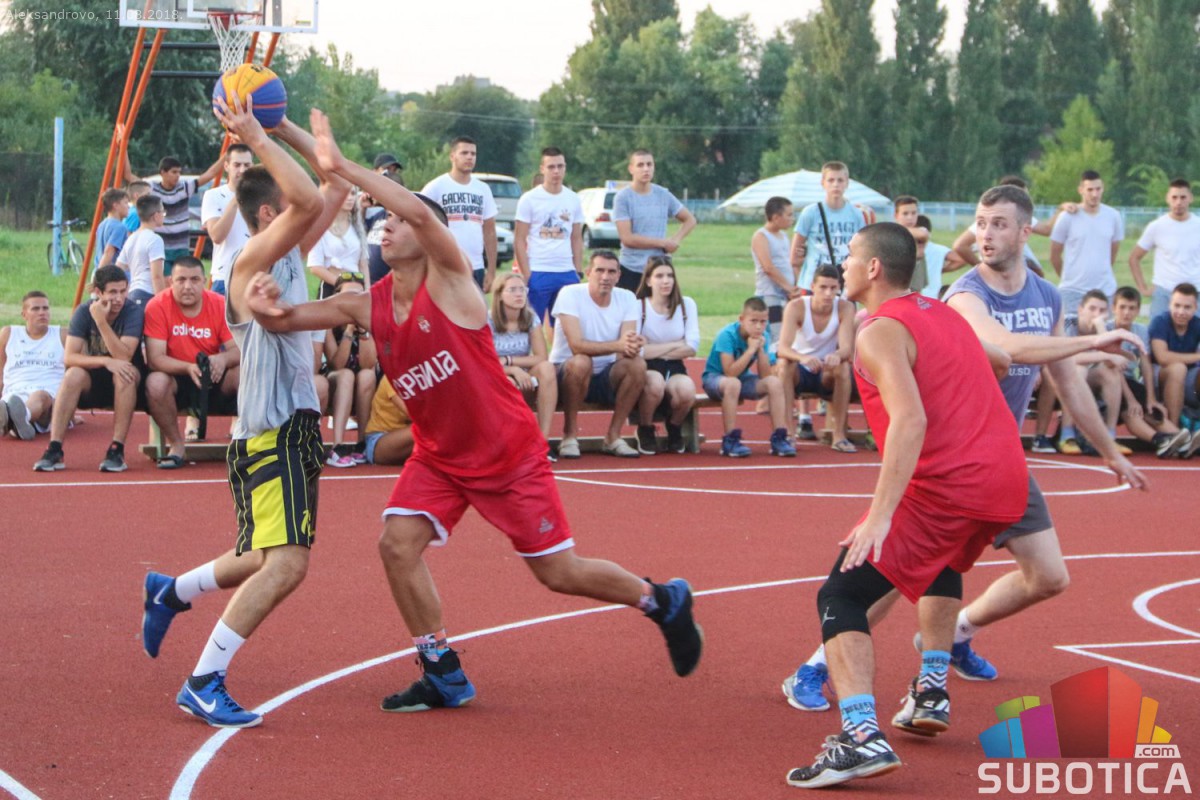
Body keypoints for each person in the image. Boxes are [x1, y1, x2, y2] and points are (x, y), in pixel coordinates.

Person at [238, 108, 702, 713]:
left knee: (558, 573)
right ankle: (442, 671)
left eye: (394, 221)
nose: (385, 228)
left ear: (423, 233)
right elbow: (281, 320)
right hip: (439, 455)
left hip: (505, 453)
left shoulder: (453, 283)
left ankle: (660, 600)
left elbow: (419, 213)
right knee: (395, 545)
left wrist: (339, 165)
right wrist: (260, 298)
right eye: (381, 222)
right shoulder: (365, 305)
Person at [781, 185, 1149, 714]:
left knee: (1026, 575)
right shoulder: (963, 296)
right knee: (914, 565)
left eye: (998, 223)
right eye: (979, 222)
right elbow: (1006, 352)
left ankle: (907, 682)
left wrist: (1109, 449)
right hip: (972, 462)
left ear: (1025, 231)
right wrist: (1088, 341)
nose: (984, 233)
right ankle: (896, 676)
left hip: (976, 460)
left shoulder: (1041, 296)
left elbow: (1053, 375)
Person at [785, 223, 1029, 790]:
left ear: (873, 269)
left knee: (843, 593)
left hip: (951, 484)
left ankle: (860, 735)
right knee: (939, 560)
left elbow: (910, 420)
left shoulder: (878, 331)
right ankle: (931, 687)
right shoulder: (943, 312)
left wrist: (880, 513)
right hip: (1005, 480)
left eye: (850, 256)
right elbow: (998, 361)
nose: (842, 265)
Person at [139, 99, 348, 729]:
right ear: (268, 214)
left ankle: (170, 591)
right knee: (286, 564)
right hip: (272, 431)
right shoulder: (249, 261)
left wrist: (286, 129)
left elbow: (332, 185)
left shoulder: (286, 252)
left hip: (289, 426)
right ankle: (203, 682)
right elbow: (308, 198)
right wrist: (256, 134)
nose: (301, 205)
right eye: (287, 203)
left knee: (261, 556)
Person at [33, 265, 144, 472]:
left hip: (128, 381)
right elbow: (69, 357)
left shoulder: (133, 311)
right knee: (72, 375)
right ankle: (54, 448)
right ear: (99, 292)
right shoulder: (83, 312)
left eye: (123, 291)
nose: (119, 298)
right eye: (112, 292)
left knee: (124, 375)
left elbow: (124, 356)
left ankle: (116, 449)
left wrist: (101, 322)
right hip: (93, 378)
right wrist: (105, 361)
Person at [143, 256, 240, 469]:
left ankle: (248, 442)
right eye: (181, 280)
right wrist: (187, 367)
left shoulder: (220, 304)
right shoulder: (157, 306)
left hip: (213, 374)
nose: (188, 286)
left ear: (204, 281)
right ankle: (177, 445)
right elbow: (155, 359)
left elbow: (240, 350)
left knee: (246, 372)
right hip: (176, 377)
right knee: (155, 382)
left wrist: (222, 359)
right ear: (171, 282)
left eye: (195, 280)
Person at [551, 250, 648, 459]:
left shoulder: (627, 297)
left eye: (611, 272)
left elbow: (626, 346)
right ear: (588, 273)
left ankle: (613, 436)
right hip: (566, 373)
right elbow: (576, 346)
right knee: (581, 362)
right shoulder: (569, 294)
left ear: (619, 276)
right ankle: (569, 435)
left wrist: (634, 345)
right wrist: (619, 345)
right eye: (600, 270)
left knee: (637, 365)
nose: (605, 277)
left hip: (606, 374)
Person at [776, 266, 857, 453]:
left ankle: (839, 436)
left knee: (843, 368)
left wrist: (836, 355)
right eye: (823, 287)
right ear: (812, 286)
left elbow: (847, 348)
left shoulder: (845, 307)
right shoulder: (796, 307)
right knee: (784, 366)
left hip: (826, 372)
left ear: (839, 288)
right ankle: (788, 433)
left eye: (833, 288)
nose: (828, 293)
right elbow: (783, 348)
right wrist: (803, 358)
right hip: (800, 370)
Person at [702, 297, 795, 458]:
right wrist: (751, 350)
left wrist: (760, 351)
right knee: (732, 383)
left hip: (741, 379)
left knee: (774, 383)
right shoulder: (727, 335)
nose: (758, 326)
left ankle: (779, 438)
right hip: (715, 378)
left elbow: (765, 375)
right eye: (753, 321)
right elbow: (730, 372)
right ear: (742, 319)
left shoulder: (764, 336)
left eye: (763, 322)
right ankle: (730, 439)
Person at [1110, 286, 1192, 457]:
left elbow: (1145, 364)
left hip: (1130, 383)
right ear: (1113, 308)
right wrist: (1132, 399)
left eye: (1131, 308)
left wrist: (1151, 398)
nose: (1126, 313)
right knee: (1131, 410)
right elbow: (1113, 370)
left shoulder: (1140, 331)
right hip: (1110, 383)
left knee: (1151, 410)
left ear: (1138, 310)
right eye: (1122, 307)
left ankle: (1181, 439)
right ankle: (1161, 441)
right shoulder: (1107, 330)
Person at [634, 255, 699, 455]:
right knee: (655, 384)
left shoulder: (687, 305)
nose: (666, 281)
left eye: (670, 276)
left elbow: (691, 347)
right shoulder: (639, 306)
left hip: (675, 366)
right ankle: (645, 428)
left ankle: (674, 426)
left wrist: (653, 347)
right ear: (648, 280)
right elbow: (639, 351)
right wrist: (675, 344)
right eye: (659, 276)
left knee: (687, 391)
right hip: (647, 367)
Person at [121, 149, 223, 275]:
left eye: (179, 172)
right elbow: (128, 175)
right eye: (174, 172)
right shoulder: (152, 188)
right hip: (161, 246)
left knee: (182, 278)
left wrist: (227, 155)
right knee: (164, 280)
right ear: (163, 173)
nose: (177, 175)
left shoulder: (184, 188)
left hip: (181, 247)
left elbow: (210, 174)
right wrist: (123, 149)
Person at [1057, 291, 1133, 457]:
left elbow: (1113, 363)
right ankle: (1067, 435)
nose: (1096, 314)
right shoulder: (1068, 323)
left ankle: (1109, 436)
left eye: (1101, 311)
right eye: (1092, 309)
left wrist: (1100, 327)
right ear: (1080, 309)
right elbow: (1067, 358)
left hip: (1089, 380)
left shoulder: (1107, 328)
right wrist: (1106, 355)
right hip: (1058, 377)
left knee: (1111, 374)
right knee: (1078, 370)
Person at [515, 147, 584, 324]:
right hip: (539, 270)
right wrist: (527, 274)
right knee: (532, 324)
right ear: (542, 169)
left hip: (566, 271)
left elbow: (576, 237)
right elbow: (519, 239)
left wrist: (577, 270)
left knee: (566, 325)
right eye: (551, 167)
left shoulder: (573, 198)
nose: (556, 171)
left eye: (560, 166)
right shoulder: (529, 199)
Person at [490, 272, 557, 451]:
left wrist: (510, 361)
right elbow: (483, 362)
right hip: (496, 377)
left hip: (524, 375)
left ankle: (542, 441)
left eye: (522, 289)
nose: (519, 294)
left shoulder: (530, 318)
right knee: (509, 383)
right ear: (500, 295)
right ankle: (509, 443)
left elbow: (541, 357)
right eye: (512, 290)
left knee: (547, 368)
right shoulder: (487, 321)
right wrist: (512, 370)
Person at [613, 149, 697, 292]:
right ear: (631, 169)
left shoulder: (663, 194)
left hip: (659, 269)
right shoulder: (623, 198)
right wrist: (662, 243)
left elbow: (690, 220)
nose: (646, 169)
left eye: (649, 164)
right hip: (631, 268)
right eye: (640, 165)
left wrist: (676, 240)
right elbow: (627, 238)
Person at [421, 136, 498, 292]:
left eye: (473, 154)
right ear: (452, 156)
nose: (469, 157)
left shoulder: (482, 189)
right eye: (464, 153)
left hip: (475, 266)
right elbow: (419, 222)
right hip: (444, 265)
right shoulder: (436, 187)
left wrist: (491, 270)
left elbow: (489, 231)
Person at [949, 175, 1068, 276]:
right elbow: (959, 245)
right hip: (1000, 269)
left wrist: (1061, 209)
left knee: (1037, 274)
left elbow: (1047, 230)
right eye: (1023, 195)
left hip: (1015, 263)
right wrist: (982, 269)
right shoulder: (987, 221)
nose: (1027, 200)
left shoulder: (1021, 216)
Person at [1048, 170, 1124, 313]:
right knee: (1070, 326)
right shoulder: (1067, 217)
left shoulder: (1113, 216)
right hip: (1073, 290)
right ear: (1081, 190)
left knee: (1102, 327)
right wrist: (1068, 277)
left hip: (1105, 290)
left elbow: (1112, 254)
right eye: (1090, 190)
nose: (1095, 194)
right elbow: (1054, 255)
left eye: (1098, 189)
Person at [322, 271, 377, 467]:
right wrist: (348, 331)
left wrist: (362, 331)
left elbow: (368, 363)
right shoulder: (328, 324)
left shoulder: (370, 320)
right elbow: (336, 364)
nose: (354, 301)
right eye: (349, 296)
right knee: (346, 375)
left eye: (359, 295)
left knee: (367, 375)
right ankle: (337, 445)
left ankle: (362, 443)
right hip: (336, 382)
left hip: (363, 384)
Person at [790, 161, 868, 289]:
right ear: (823, 183)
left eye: (840, 180)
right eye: (831, 180)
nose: (835, 185)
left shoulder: (856, 214)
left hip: (844, 281)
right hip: (814, 281)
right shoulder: (811, 212)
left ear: (847, 183)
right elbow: (794, 256)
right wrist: (801, 281)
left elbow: (862, 250)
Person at [1129, 179, 1200, 320]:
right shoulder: (1157, 226)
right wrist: (1143, 288)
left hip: (1194, 291)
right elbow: (1134, 258)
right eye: (1174, 197)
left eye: (1183, 197)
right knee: (1158, 332)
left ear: (1190, 198)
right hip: (1164, 292)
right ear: (1167, 198)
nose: (1178, 202)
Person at [0, 291, 65, 441]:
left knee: (40, 395)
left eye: (45, 308)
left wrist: (69, 413)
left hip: (48, 397)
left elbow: (72, 375)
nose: (42, 312)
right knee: (10, 403)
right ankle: (17, 425)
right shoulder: (8, 334)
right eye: (35, 309)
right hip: (14, 394)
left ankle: (21, 418)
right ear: (24, 314)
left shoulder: (62, 335)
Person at [201, 143, 254, 296]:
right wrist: (237, 198)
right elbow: (217, 236)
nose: (242, 170)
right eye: (237, 165)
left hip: (255, 276)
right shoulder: (213, 195)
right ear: (226, 166)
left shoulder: (262, 196)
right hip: (224, 276)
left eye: (247, 165)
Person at [1150, 282, 1200, 434]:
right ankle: (1174, 430)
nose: (1181, 312)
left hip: (1187, 377)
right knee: (1178, 368)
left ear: (1195, 308)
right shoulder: (1160, 322)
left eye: (1187, 307)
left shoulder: (1197, 324)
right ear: (1169, 305)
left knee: (1185, 370)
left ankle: (1194, 421)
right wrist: (1197, 356)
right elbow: (1162, 357)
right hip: (1157, 377)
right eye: (1177, 306)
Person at [752, 196, 800, 348]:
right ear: (776, 217)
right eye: (789, 215)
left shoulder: (783, 236)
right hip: (770, 294)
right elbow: (768, 267)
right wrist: (788, 287)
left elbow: (788, 263)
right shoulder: (761, 236)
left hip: (784, 294)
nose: (792, 219)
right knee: (775, 336)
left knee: (787, 334)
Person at [892, 197, 964, 297]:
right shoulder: (892, 236)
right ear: (896, 215)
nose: (910, 217)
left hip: (919, 291)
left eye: (914, 213)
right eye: (905, 214)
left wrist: (940, 270)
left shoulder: (919, 232)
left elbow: (922, 234)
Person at [308, 188, 368, 299]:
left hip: (357, 288)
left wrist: (367, 292)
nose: (350, 198)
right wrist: (343, 284)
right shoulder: (321, 227)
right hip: (331, 288)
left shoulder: (357, 228)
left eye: (353, 194)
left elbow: (363, 264)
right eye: (345, 193)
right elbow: (315, 267)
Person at [115, 194, 166, 304]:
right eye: (163, 212)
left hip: (132, 294)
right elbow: (156, 276)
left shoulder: (131, 238)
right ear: (156, 215)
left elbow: (118, 268)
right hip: (147, 294)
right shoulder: (155, 239)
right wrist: (162, 303)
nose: (164, 215)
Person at [364, 154, 405, 285]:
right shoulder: (379, 215)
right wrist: (362, 208)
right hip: (369, 282)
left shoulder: (403, 219)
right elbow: (360, 230)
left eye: (394, 170)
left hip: (386, 284)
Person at [362, 379, 413, 466]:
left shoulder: (424, 379)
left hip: (405, 437)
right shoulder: (391, 378)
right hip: (378, 440)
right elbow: (412, 413)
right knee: (425, 429)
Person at [95, 188, 130, 270]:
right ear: (116, 206)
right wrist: (100, 274)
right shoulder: (119, 227)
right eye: (125, 203)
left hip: (99, 268)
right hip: (112, 274)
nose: (128, 206)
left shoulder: (102, 224)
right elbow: (108, 252)